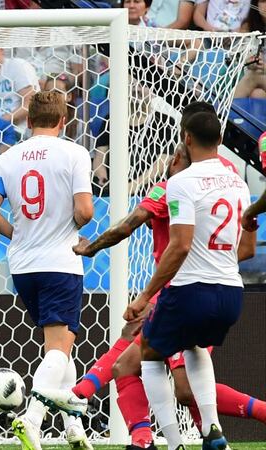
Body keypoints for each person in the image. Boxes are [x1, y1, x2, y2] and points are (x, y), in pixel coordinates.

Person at [130, 111, 251, 450]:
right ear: (222, 141)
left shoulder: (181, 182)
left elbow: (180, 244)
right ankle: (213, 431)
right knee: (195, 345)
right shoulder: (237, 183)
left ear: (186, 138)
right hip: (231, 291)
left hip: (191, 288)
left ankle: (173, 444)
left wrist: (144, 296)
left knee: (150, 352)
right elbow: (247, 243)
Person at [0, 90, 94, 450]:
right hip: (61, 260)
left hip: (24, 264)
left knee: (61, 349)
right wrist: (73, 223)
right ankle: (31, 420)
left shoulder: (6, 159)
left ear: (28, 121)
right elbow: (86, 211)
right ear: (64, 121)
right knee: (58, 350)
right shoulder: (75, 153)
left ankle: (73, 427)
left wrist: (18, 233)